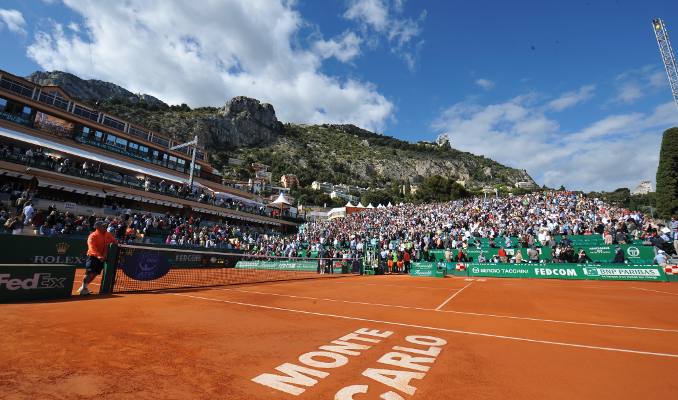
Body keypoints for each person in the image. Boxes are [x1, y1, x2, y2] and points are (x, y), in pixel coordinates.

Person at [78, 221, 119, 295]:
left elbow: (114, 242)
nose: (104, 227)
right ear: (97, 227)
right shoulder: (92, 236)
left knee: (95, 273)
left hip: (102, 257)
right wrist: (98, 255)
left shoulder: (109, 234)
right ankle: (83, 288)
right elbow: (92, 247)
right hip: (92, 256)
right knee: (89, 272)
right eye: (102, 226)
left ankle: (83, 287)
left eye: (104, 225)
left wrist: (120, 246)